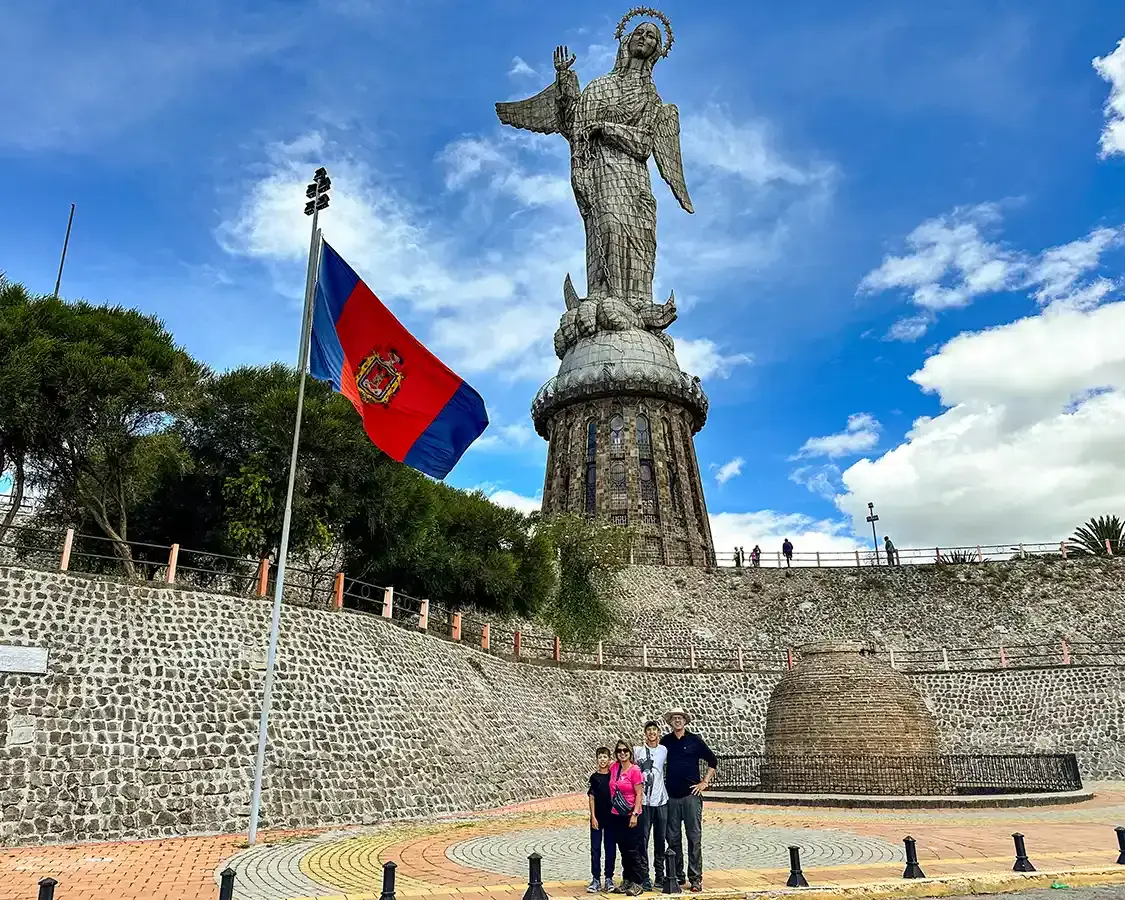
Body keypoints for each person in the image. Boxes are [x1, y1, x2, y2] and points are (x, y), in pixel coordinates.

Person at [660, 708, 717, 893]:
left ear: (685, 721)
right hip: (672, 797)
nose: (677, 721)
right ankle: (678, 874)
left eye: (680, 718)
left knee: (694, 838)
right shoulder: (665, 742)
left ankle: (696, 877)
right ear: (670, 722)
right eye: (674, 718)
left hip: (691, 796)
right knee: (673, 838)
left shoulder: (695, 741)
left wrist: (704, 782)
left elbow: (713, 761)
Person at [633, 721, 669, 892]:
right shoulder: (637, 751)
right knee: (643, 840)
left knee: (660, 840)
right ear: (645, 733)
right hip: (645, 803)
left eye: (654, 730)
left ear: (658, 733)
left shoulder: (663, 750)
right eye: (649, 730)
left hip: (661, 801)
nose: (652, 733)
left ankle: (660, 874)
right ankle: (644, 875)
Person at [608, 741, 646, 895]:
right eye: (619, 751)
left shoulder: (635, 770)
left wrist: (635, 814)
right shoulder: (615, 768)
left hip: (631, 814)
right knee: (623, 849)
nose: (622, 753)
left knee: (633, 850)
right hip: (618, 814)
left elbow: (639, 793)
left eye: (625, 751)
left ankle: (638, 882)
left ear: (630, 753)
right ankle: (627, 879)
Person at [587, 747, 617, 893]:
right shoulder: (594, 777)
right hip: (597, 818)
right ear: (597, 759)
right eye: (600, 757)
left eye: (605, 757)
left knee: (610, 849)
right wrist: (593, 816)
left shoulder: (613, 776)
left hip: (611, 817)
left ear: (609, 759)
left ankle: (609, 878)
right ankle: (596, 879)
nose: (603, 760)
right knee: (595, 849)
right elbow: (591, 797)